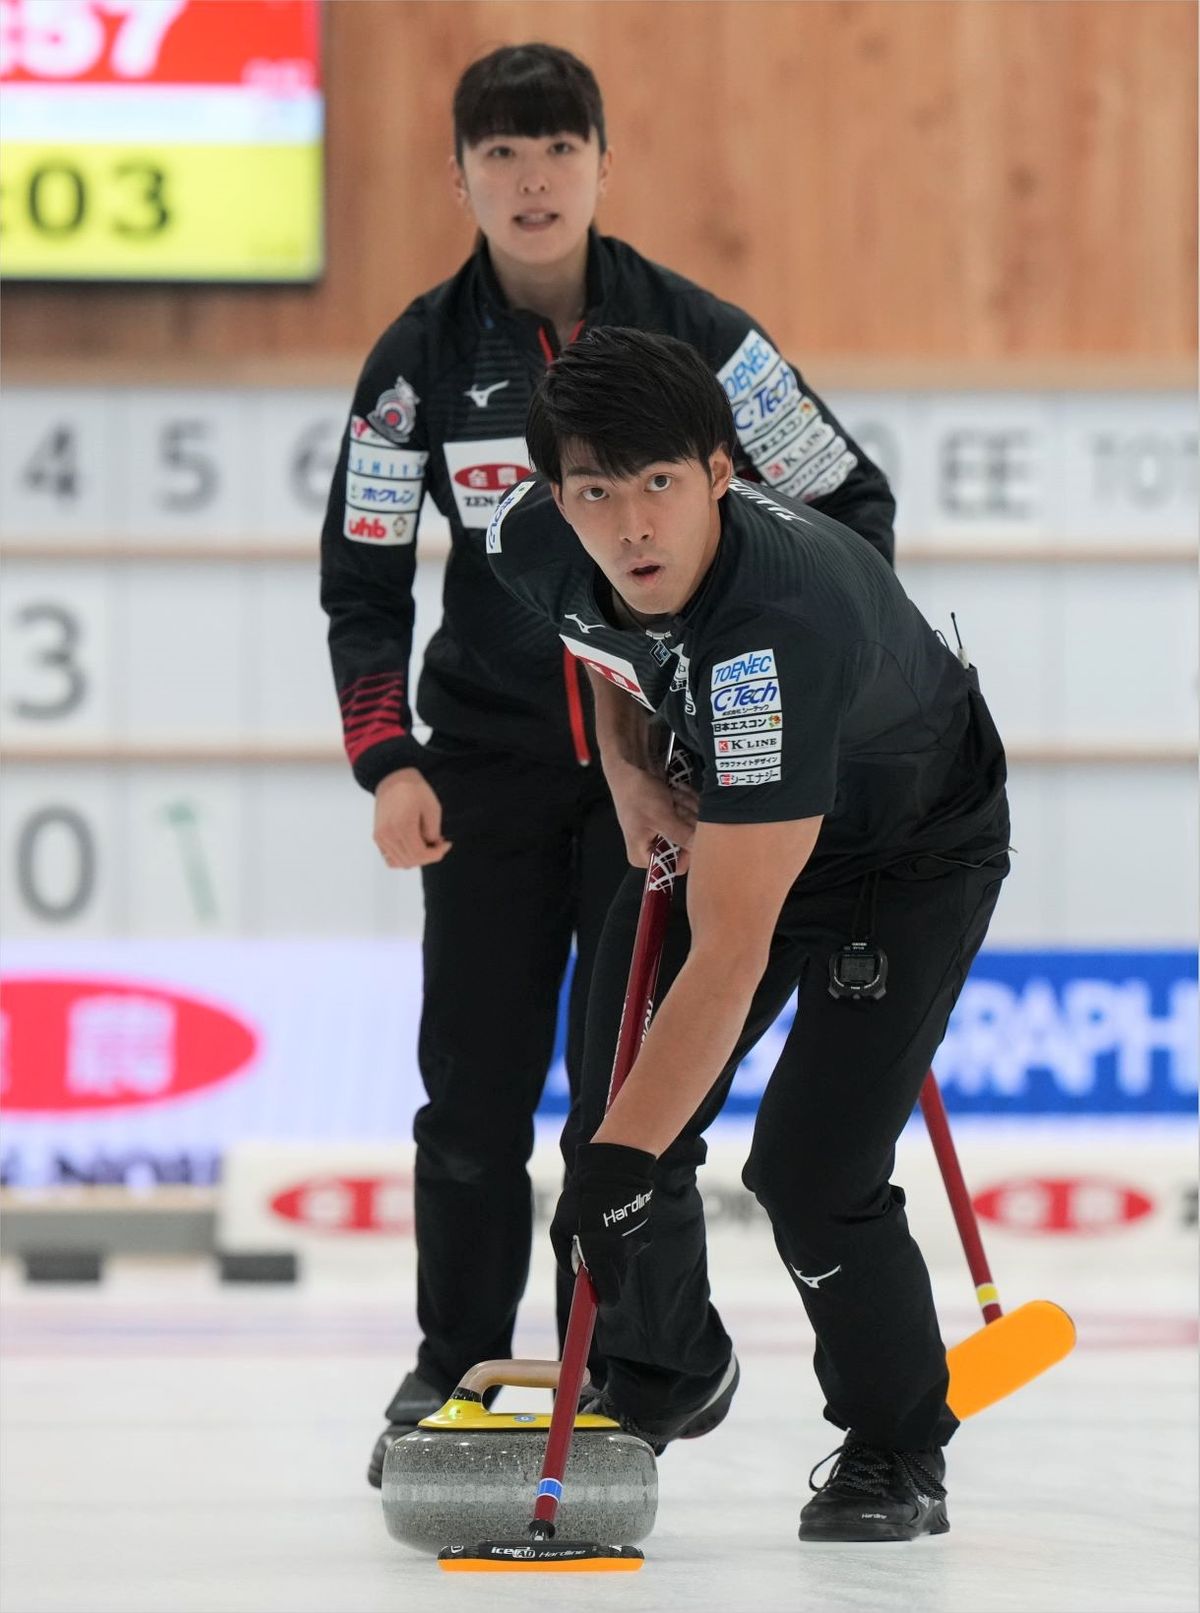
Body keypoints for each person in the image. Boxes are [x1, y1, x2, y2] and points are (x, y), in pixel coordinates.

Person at [319, 42, 897, 1490]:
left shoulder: (697, 334)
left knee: (634, 1082)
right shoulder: (416, 363)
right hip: (497, 771)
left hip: (674, 771)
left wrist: (779, 712)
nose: (531, 181)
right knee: (468, 1091)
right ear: (457, 178)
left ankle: (653, 1363)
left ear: (602, 165)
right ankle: (452, 1361)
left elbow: (848, 500)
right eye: (501, 156)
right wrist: (388, 759)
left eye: (557, 149)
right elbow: (363, 576)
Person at [485, 327, 1011, 1543]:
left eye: (659, 483)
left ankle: (896, 1444)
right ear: (553, 494)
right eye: (595, 492)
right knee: (617, 1115)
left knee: (807, 1173)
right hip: (730, 798)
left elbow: (731, 948)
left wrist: (610, 1173)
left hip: (905, 848)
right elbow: (611, 652)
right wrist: (627, 778)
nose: (630, 528)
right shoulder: (534, 542)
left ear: (720, 471)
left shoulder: (775, 631)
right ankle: (670, 1368)